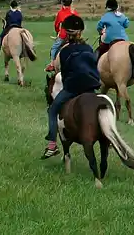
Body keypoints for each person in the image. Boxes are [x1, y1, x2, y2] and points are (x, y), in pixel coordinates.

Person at [41, 14, 101, 159]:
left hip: (72, 88)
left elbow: (64, 73)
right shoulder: (88, 48)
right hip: (90, 87)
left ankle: (52, 146)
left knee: (52, 110)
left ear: (67, 34)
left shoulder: (65, 51)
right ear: (81, 31)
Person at [45, 0, 78, 72]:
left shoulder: (60, 13)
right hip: (74, 36)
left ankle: (52, 64)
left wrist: (57, 32)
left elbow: (56, 25)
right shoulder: (75, 13)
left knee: (54, 48)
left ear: (62, 3)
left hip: (63, 37)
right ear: (71, 3)